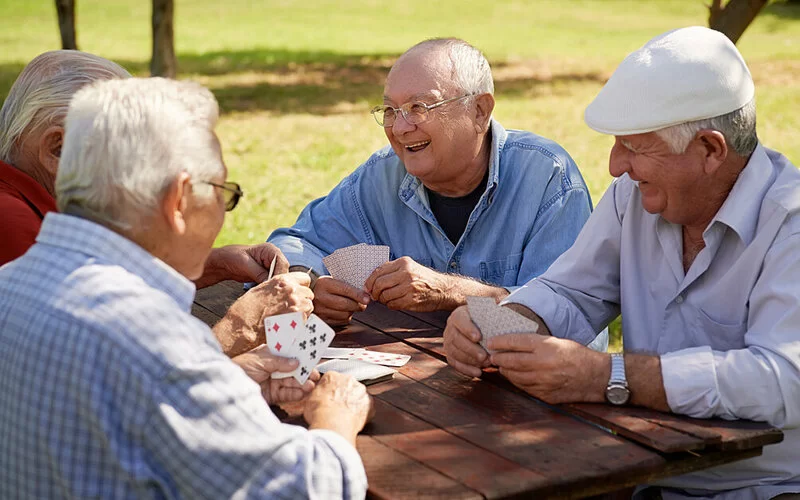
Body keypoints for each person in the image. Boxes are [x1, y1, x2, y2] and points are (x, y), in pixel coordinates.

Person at [443, 27, 800, 498]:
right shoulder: (634, 197)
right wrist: (497, 321)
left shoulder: (789, 223)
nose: (614, 165)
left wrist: (608, 377)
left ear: (710, 150)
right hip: (638, 472)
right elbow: (571, 290)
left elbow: (783, 380)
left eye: (634, 146)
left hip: (764, 486)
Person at [0, 77, 372, 498]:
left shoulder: (11, 283)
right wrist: (336, 417)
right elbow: (306, 489)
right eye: (222, 193)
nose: (223, 215)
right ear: (178, 200)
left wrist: (230, 378)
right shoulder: (153, 337)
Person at [268, 38, 600, 335]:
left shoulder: (547, 178)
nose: (399, 128)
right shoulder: (382, 176)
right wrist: (309, 282)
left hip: (525, 394)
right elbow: (291, 244)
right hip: (415, 389)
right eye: (390, 110)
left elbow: (564, 325)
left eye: (419, 107)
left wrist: (451, 293)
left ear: (479, 111)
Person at [0, 50, 289, 294]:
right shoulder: (14, 223)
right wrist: (242, 326)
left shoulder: (41, 205)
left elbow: (113, 282)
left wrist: (216, 264)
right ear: (57, 150)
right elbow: (104, 337)